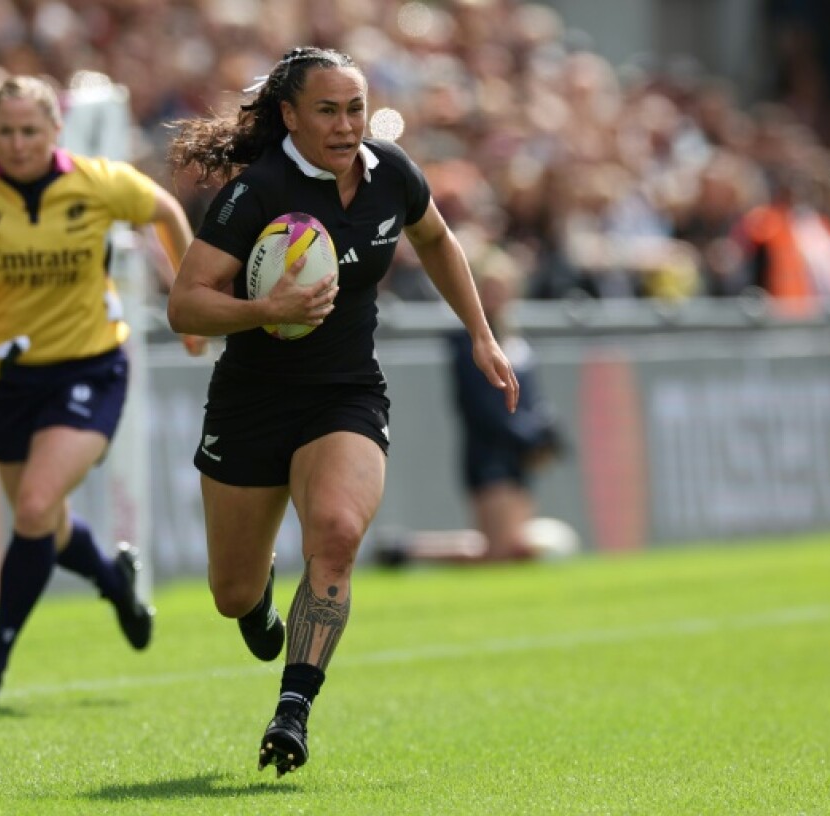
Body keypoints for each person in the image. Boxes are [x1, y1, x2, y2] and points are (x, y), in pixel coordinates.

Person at [165, 46, 519, 775]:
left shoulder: (393, 174)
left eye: (354, 107)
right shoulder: (256, 192)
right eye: (326, 110)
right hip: (253, 401)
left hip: (345, 393)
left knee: (335, 531)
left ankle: (293, 709)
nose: (345, 124)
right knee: (231, 595)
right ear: (289, 116)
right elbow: (185, 302)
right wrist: (268, 308)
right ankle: (259, 601)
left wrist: (481, 335)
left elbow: (439, 240)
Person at [0, 75, 201, 709]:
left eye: (30, 131)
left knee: (37, 505)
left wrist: (188, 305)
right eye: (5, 131)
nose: (17, 144)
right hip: (12, 377)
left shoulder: (96, 182)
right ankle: (114, 580)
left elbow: (168, 213)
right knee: (41, 518)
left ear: (54, 133)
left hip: (89, 368)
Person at [375, 245, 569, 565]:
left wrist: (545, 433)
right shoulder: (467, 342)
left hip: (518, 456)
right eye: (488, 288)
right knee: (498, 550)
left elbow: (532, 400)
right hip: (490, 453)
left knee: (508, 545)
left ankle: (404, 549)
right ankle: (407, 551)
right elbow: (482, 408)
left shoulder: (517, 341)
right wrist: (528, 437)